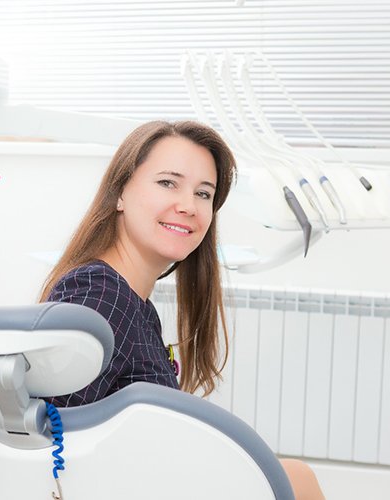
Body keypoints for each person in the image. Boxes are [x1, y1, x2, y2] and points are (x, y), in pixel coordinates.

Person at [40, 120, 325, 500]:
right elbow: (53, 445)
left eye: (204, 194)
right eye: (168, 183)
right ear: (120, 192)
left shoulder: (134, 303)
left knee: (293, 476)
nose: (188, 206)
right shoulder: (99, 295)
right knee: (294, 477)